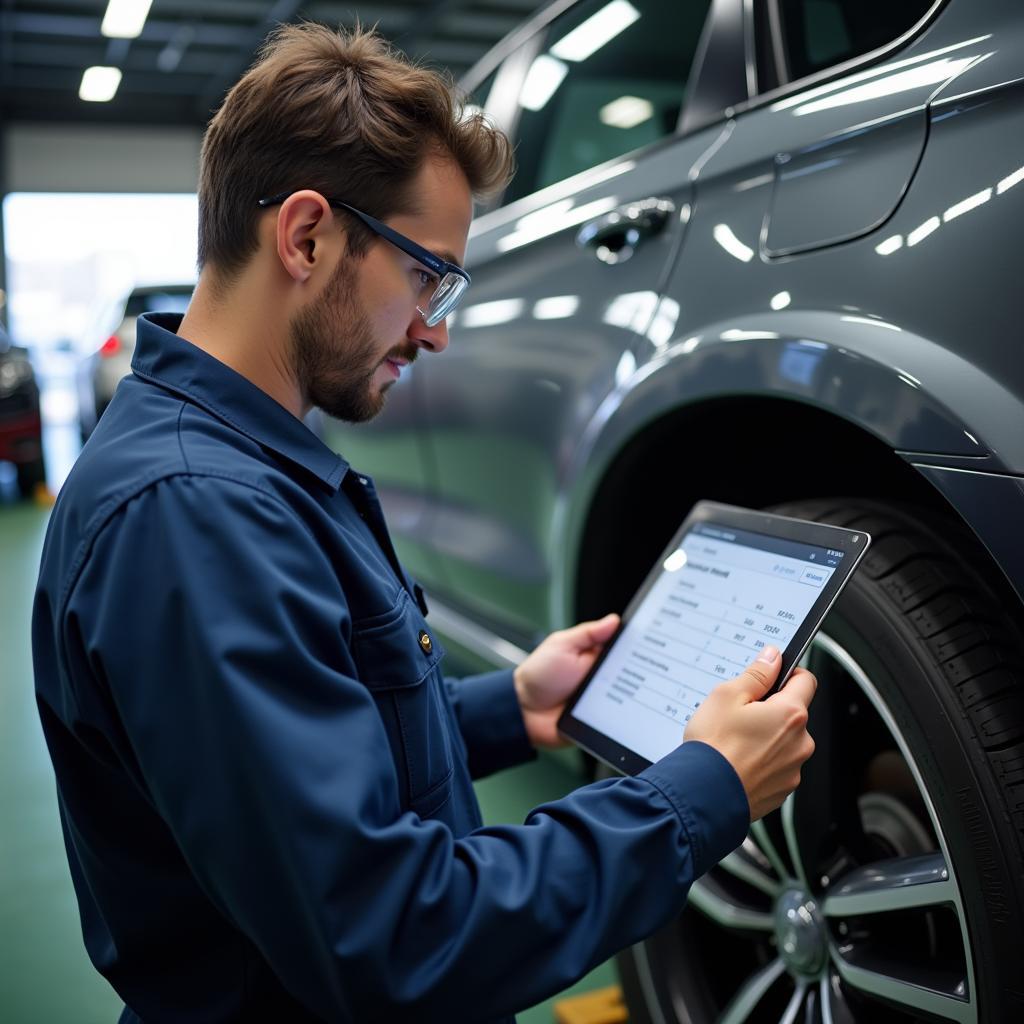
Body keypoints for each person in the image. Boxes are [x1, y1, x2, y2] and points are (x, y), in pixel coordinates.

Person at [32, 24, 816, 1024]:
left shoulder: (233, 473)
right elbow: (396, 936)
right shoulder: (196, 515)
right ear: (306, 236)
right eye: (426, 274)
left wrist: (506, 710)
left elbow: (296, 760)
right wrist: (700, 791)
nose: (436, 327)